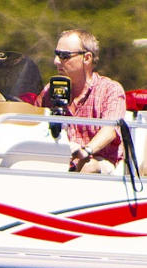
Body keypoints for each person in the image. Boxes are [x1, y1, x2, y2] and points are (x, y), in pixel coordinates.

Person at [36, 29, 126, 173]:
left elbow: (110, 131)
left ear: (87, 58)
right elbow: (35, 125)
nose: (56, 61)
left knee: (87, 166)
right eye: (56, 54)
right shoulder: (50, 91)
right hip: (59, 162)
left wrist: (85, 151)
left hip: (100, 162)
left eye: (65, 56)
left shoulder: (110, 89)